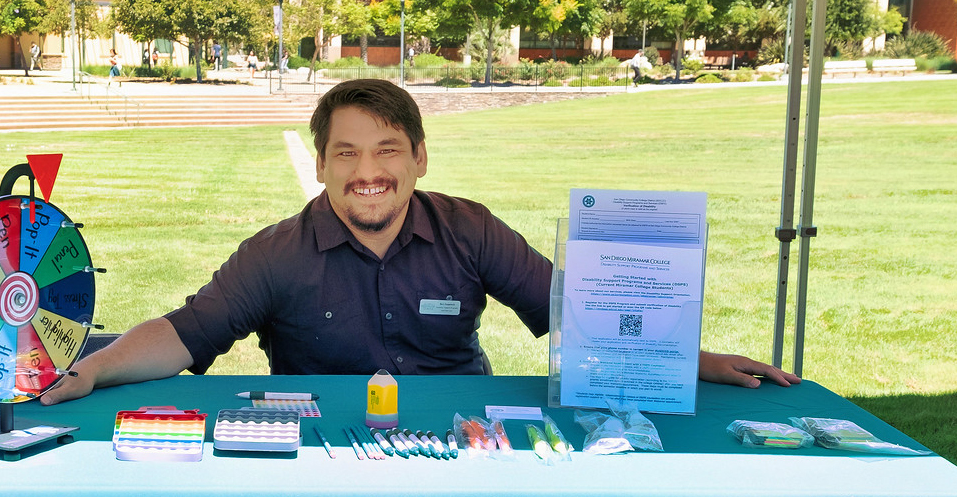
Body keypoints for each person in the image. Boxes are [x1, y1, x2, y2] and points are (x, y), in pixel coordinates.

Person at [41, 79, 795, 404]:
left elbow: (571, 313)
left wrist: (694, 359)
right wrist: (96, 371)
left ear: (420, 158)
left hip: (466, 443)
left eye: (387, 150)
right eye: (346, 153)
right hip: (325, 454)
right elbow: (184, 333)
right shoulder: (274, 253)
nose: (368, 173)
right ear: (321, 165)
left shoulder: (469, 229)